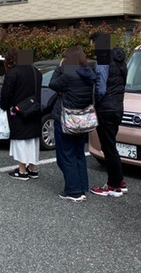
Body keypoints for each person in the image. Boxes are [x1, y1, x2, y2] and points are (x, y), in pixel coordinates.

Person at [49, 46, 97, 202]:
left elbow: (52, 84)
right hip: (82, 120)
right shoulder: (89, 74)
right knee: (78, 154)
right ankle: (82, 187)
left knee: (66, 155)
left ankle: (73, 191)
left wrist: (59, 67)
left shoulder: (68, 74)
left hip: (67, 120)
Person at [89, 33, 128, 197]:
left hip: (105, 107)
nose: (91, 47)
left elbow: (100, 86)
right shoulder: (120, 59)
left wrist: (95, 102)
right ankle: (119, 181)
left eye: (92, 43)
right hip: (117, 106)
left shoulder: (103, 58)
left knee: (108, 147)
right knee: (111, 145)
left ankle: (113, 185)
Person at [0, 48, 42, 180]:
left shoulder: (13, 72)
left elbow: (6, 94)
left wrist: (4, 106)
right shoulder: (36, 72)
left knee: (20, 140)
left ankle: (22, 171)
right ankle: (32, 169)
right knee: (33, 140)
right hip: (34, 110)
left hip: (18, 111)